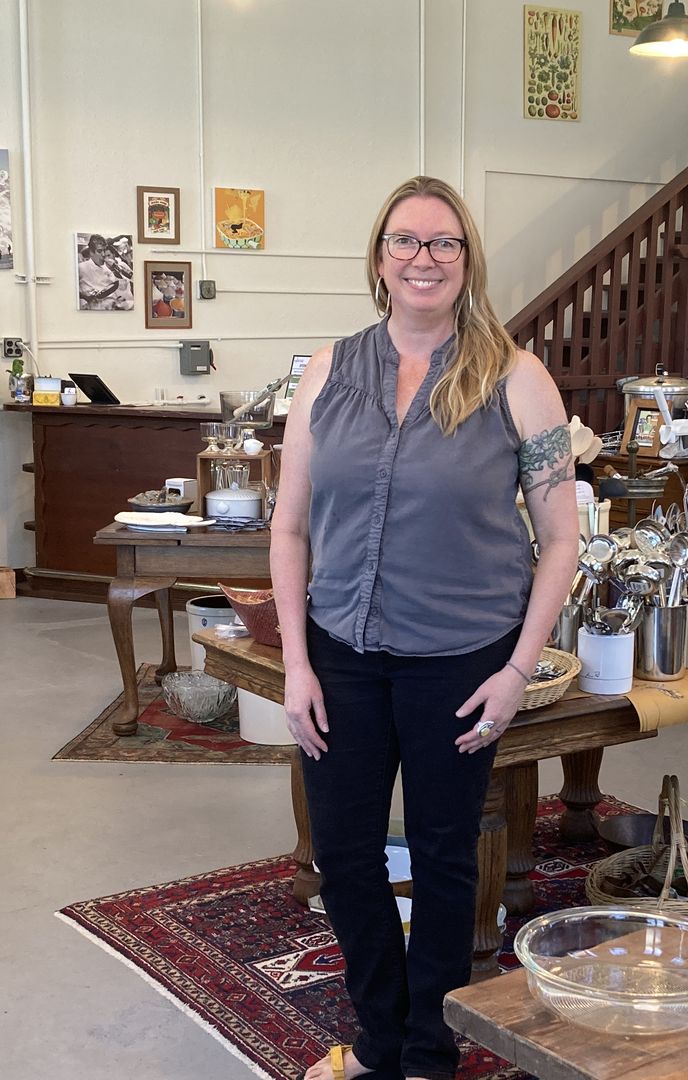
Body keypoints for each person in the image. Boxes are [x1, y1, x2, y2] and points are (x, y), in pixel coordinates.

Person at [272, 176, 574, 1080]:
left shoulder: (518, 379)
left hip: (460, 660)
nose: (423, 258)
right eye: (405, 241)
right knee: (347, 856)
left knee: (444, 858)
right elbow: (288, 525)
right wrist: (296, 662)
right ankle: (380, 1038)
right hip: (342, 655)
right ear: (378, 259)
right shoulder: (328, 370)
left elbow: (561, 540)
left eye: (443, 244)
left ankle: (429, 1052)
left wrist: (519, 669)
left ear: (468, 260)